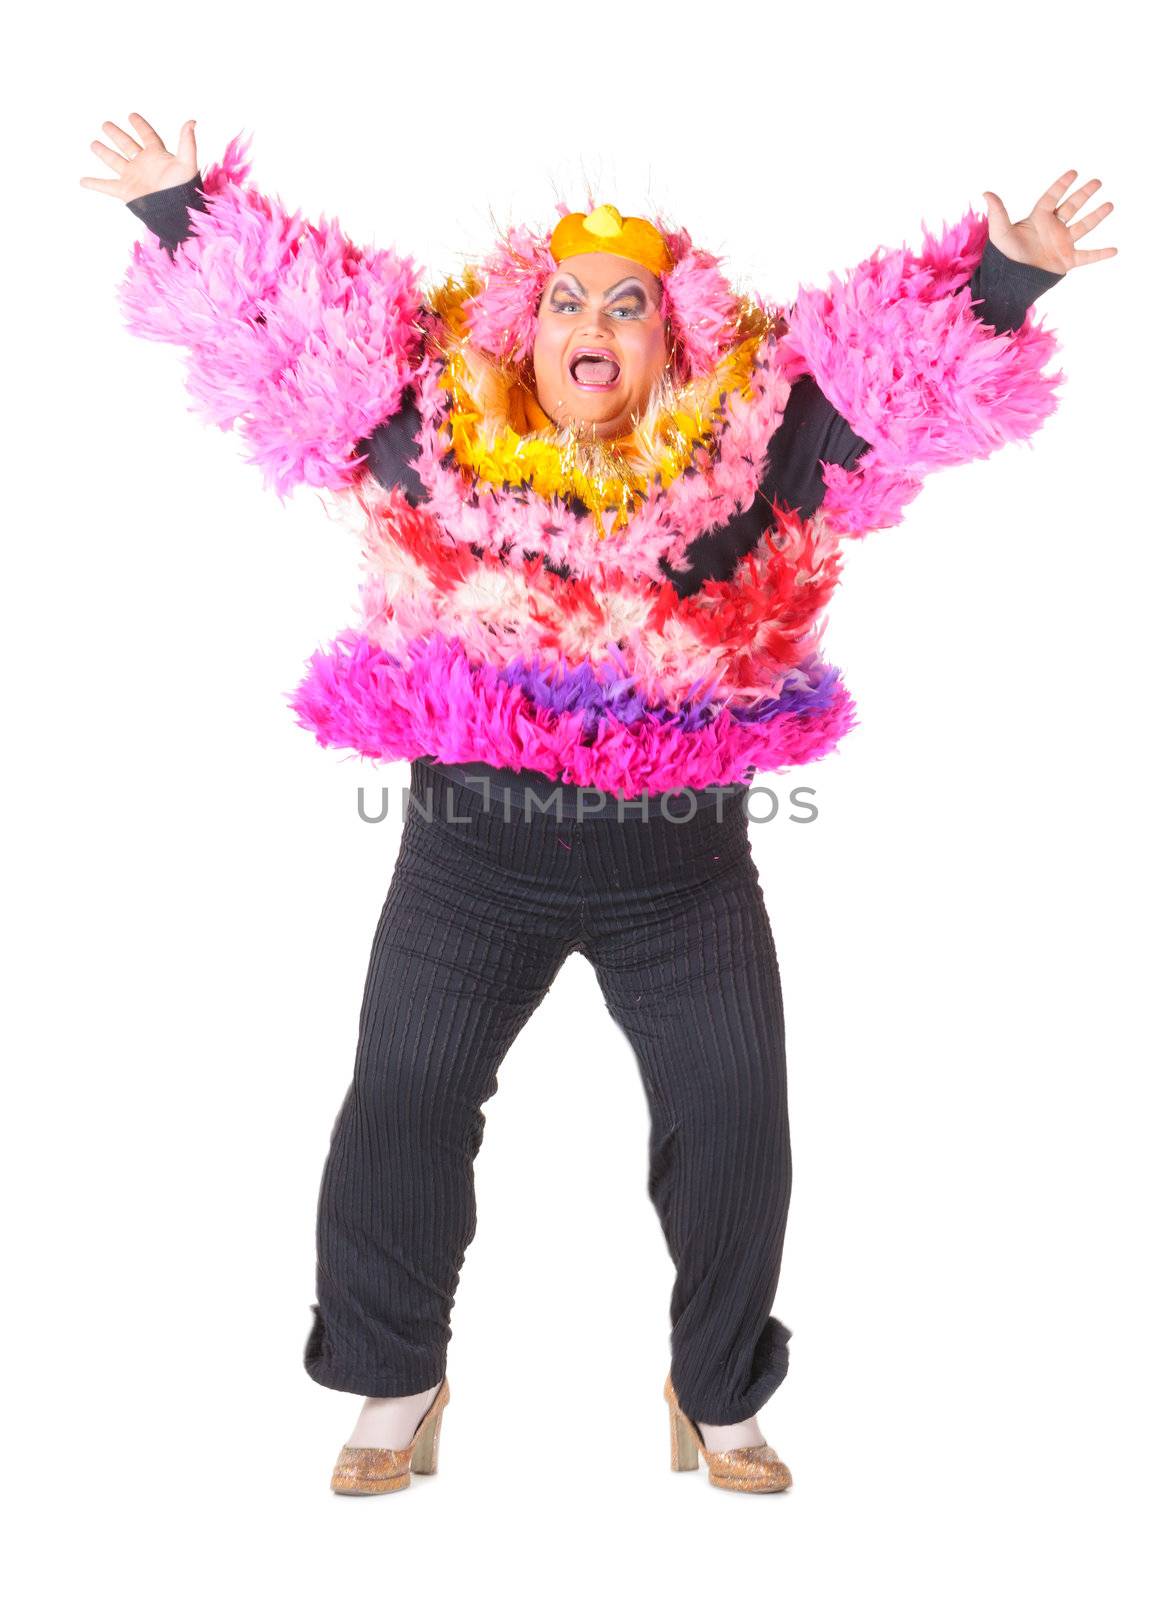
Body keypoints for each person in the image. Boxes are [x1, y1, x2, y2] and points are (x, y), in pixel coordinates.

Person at [82, 113, 1116, 1496]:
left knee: (738, 1115)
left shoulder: (754, 464)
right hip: (467, 861)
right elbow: (291, 342)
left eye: (629, 307)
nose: (596, 322)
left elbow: (889, 396)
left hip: (682, 873)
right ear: (519, 332)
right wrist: (181, 210)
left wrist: (1004, 282)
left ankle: (718, 1392)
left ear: (673, 345)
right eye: (567, 300)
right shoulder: (425, 436)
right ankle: (396, 1376)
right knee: (405, 1100)